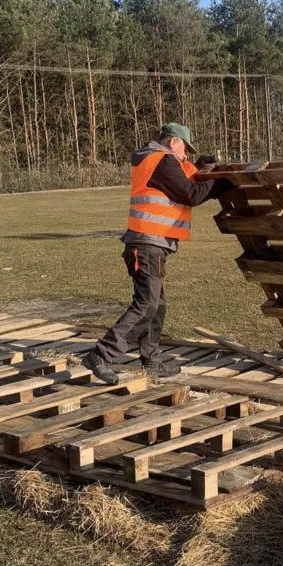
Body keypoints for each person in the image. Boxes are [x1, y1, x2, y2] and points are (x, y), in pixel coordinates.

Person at [83, 124, 229, 383]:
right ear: (173, 142)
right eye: (185, 149)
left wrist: (198, 167)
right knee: (147, 303)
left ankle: (150, 359)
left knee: (156, 305)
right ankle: (101, 355)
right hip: (147, 244)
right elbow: (190, 194)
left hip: (150, 244)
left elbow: (182, 179)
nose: (186, 155)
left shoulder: (156, 160)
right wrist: (222, 182)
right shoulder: (162, 161)